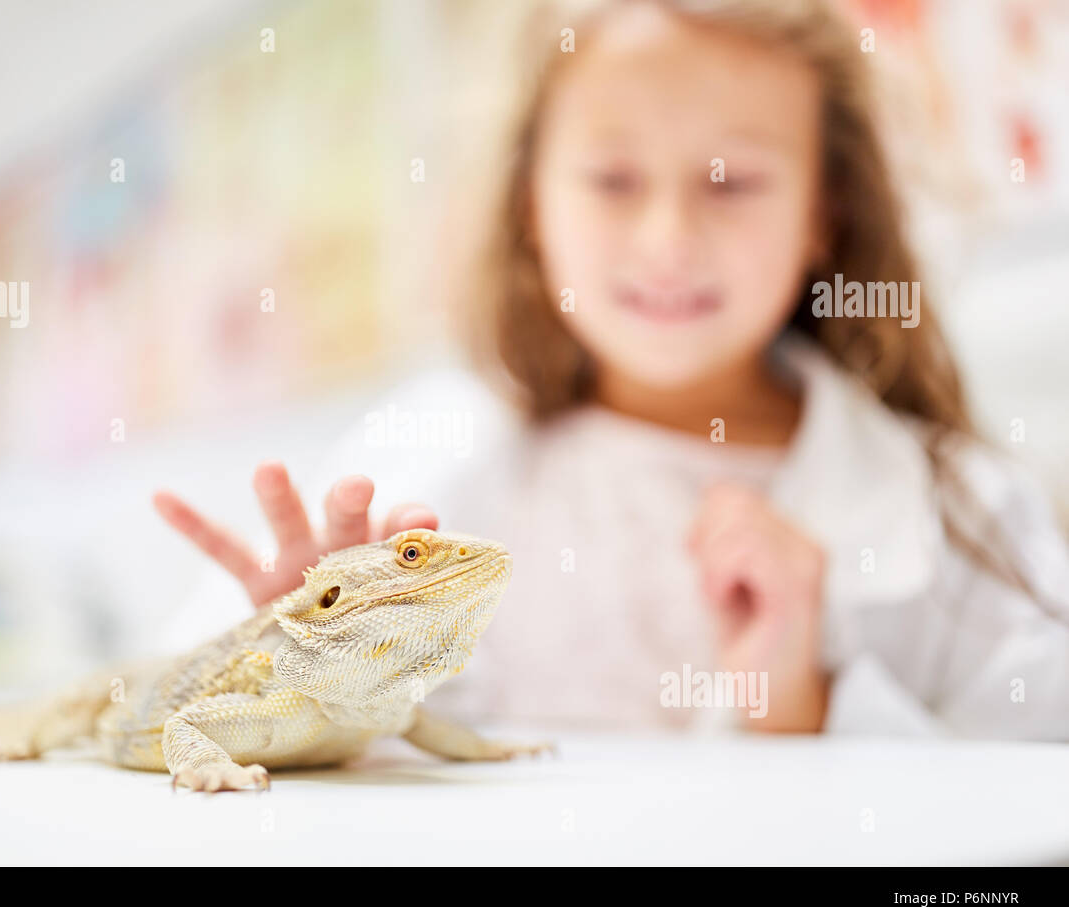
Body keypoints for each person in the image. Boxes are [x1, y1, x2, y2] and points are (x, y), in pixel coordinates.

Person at [154, 0, 1069, 738]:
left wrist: (809, 714)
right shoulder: (428, 458)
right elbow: (173, 732)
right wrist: (298, 663)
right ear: (531, 202)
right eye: (612, 180)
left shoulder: (963, 507)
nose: (667, 240)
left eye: (730, 182)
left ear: (823, 211)